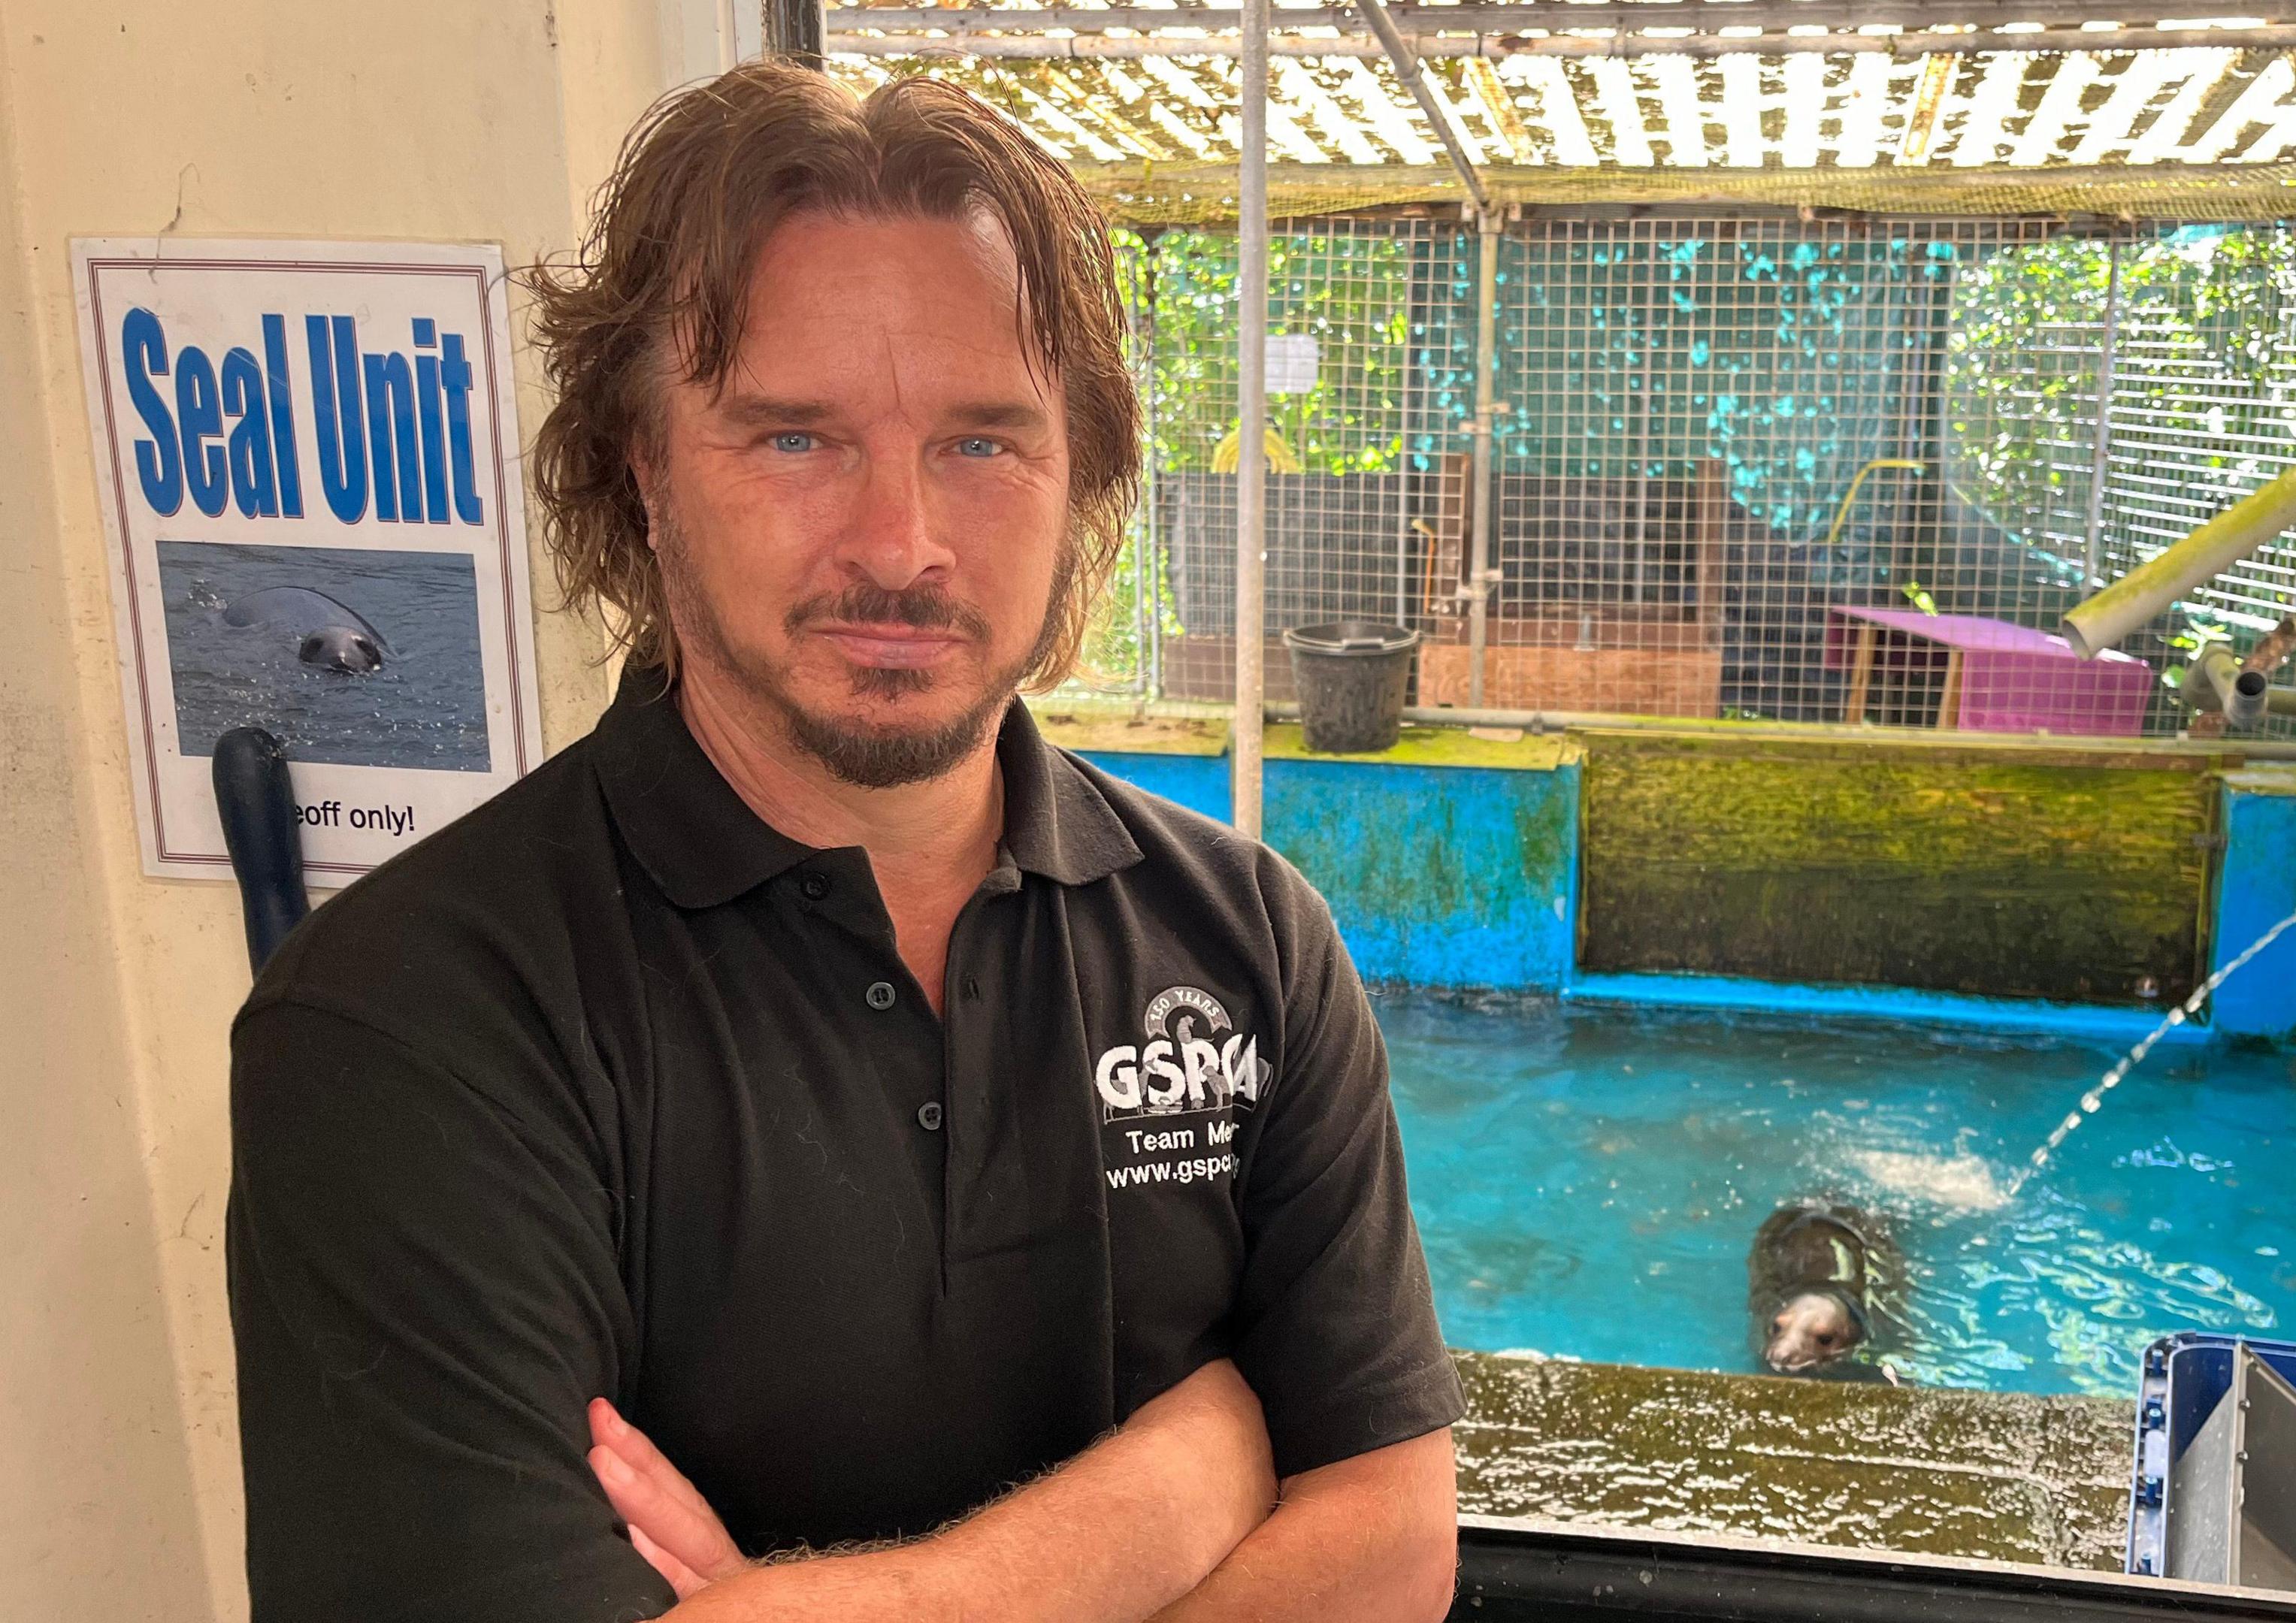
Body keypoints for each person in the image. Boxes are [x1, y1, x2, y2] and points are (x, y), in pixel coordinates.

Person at [224, 61, 1463, 1621]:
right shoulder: (414, 1020)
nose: (901, 544)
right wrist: (1182, 1484)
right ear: (645, 475)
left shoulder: (1247, 943)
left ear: (1081, 482)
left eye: (984, 442)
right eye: (794, 439)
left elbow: (1397, 1550)